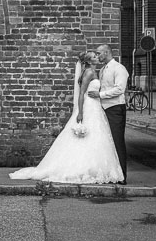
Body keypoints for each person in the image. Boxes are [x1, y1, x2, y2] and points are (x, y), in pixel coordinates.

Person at [9, 51, 124, 184]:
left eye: (96, 56)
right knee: (86, 138)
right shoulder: (89, 73)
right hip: (89, 107)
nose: (97, 58)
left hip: (96, 107)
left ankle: (94, 168)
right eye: (94, 57)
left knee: (97, 137)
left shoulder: (94, 71)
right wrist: (80, 112)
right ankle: (81, 168)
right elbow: (82, 94)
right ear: (88, 61)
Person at [87, 43, 129, 183]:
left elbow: (119, 89)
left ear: (106, 52)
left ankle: (122, 176)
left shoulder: (119, 69)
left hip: (115, 108)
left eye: (99, 53)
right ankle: (112, 173)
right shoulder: (103, 69)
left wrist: (100, 95)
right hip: (103, 109)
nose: (97, 56)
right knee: (107, 143)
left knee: (117, 142)